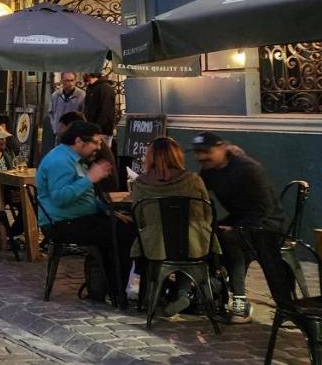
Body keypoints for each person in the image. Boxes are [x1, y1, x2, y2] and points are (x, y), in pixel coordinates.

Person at [35, 121, 134, 303]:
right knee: (123, 234)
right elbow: (60, 197)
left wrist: (108, 211)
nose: (99, 147)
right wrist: (90, 178)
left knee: (124, 226)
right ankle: (116, 291)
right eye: (95, 142)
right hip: (62, 223)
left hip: (77, 218)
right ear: (79, 141)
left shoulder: (72, 158)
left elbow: (84, 198)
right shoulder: (60, 161)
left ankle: (108, 287)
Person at [193, 132, 286, 323]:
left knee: (229, 240)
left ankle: (240, 303)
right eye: (198, 152)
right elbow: (198, 195)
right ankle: (212, 293)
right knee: (208, 234)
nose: (201, 156)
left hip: (267, 225)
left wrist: (239, 228)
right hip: (239, 219)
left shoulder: (248, 169)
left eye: (206, 151)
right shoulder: (209, 171)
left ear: (221, 148)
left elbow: (265, 209)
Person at [131, 136, 218, 317]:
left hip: (156, 246)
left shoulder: (141, 183)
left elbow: (139, 219)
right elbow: (206, 212)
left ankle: (156, 297)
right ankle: (183, 293)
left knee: (159, 244)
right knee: (186, 245)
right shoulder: (193, 180)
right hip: (194, 242)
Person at [83, 72, 117, 142]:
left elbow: (106, 111)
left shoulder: (105, 87)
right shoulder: (91, 87)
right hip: (93, 129)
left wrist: (97, 127)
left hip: (102, 131)